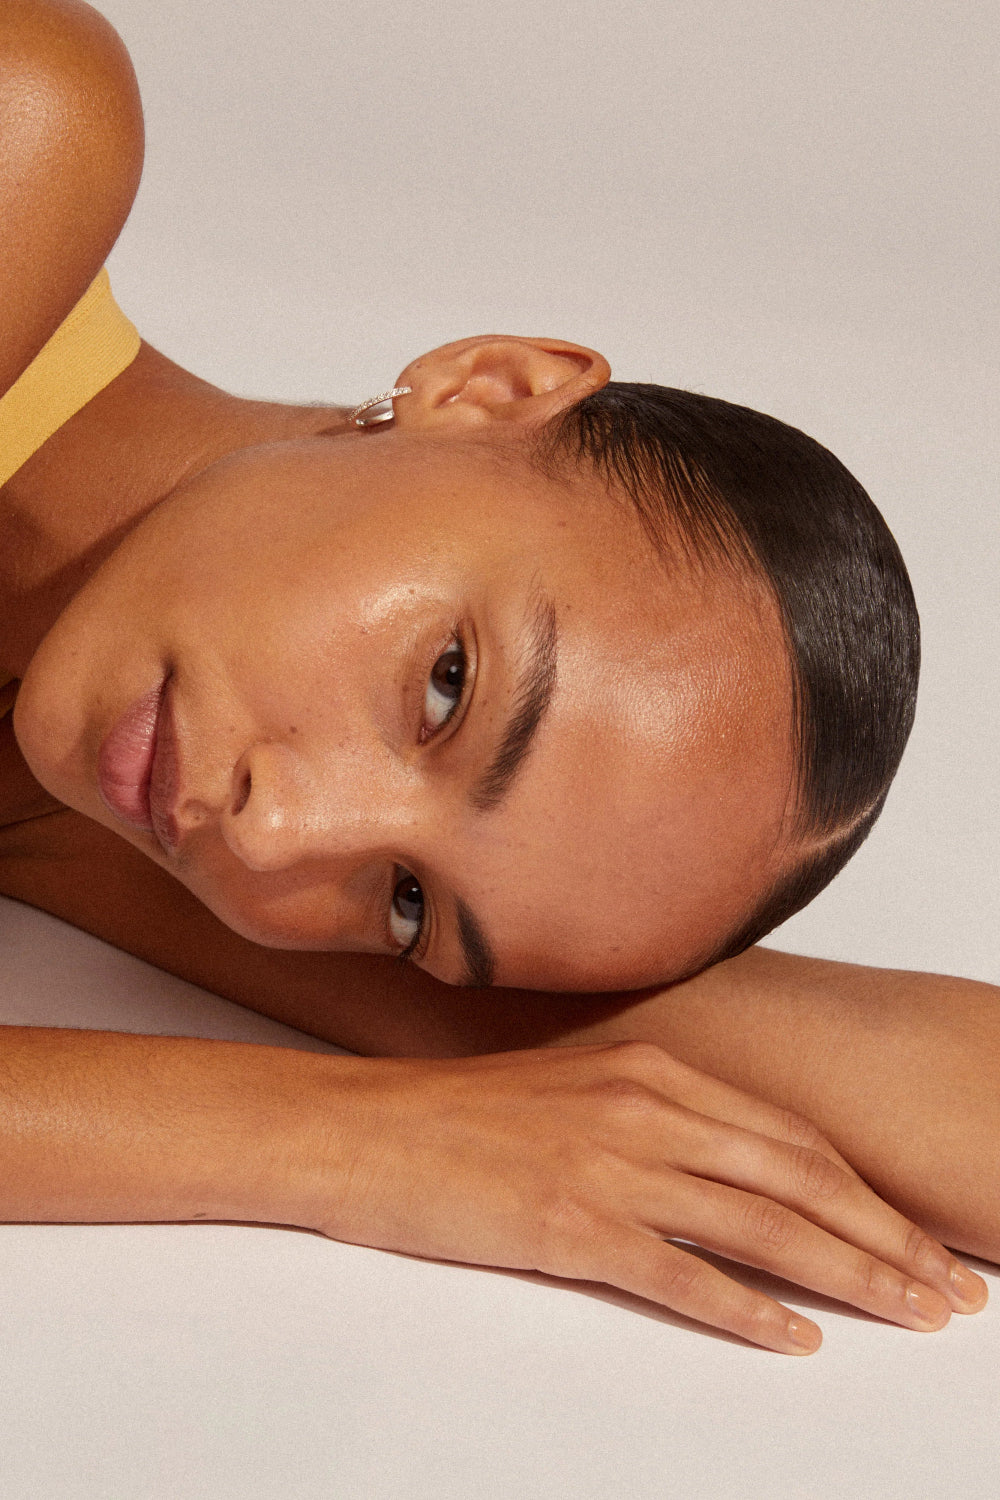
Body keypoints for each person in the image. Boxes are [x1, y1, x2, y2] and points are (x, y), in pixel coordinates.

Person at [0, 0, 995, 1356]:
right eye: (445, 687)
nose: (277, 834)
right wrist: (342, 1144)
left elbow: (846, 1057)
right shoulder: (32, 126)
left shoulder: (77, 788)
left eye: (411, 908)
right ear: (486, 385)